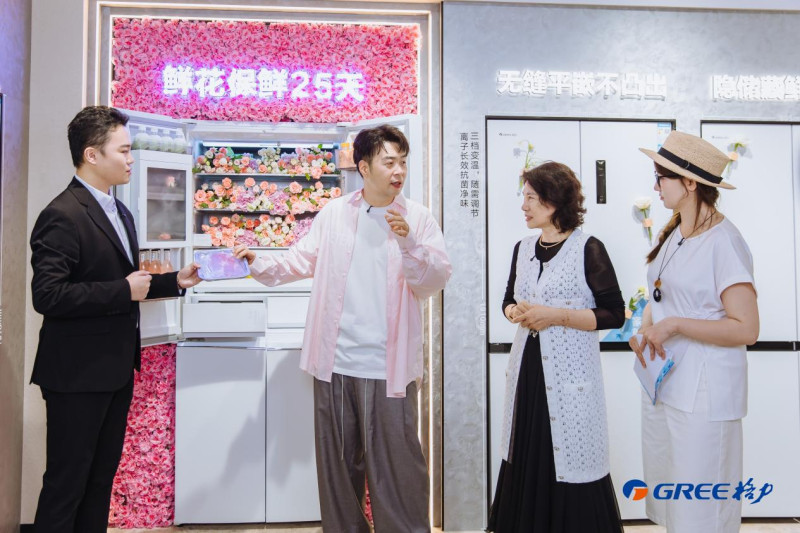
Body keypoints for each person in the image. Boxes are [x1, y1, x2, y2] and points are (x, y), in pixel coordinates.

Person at [234, 124, 451, 532]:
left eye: (403, 162)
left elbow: (435, 280)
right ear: (364, 167)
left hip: (388, 367)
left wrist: (409, 243)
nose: (398, 171)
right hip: (335, 363)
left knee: (399, 470)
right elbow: (298, 261)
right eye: (389, 162)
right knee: (338, 472)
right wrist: (256, 262)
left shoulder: (418, 218)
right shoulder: (335, 214)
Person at [30, 105, 201, 533]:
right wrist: (123, 290)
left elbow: (129, 281)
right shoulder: (62, 214)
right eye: (123, 151)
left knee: (99, 481)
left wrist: (175, 281)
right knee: (66, 484)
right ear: (92, 155)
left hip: (115, 369)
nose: (131, 158)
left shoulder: (120, 212)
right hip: (75, 374)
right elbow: (47, 295)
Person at [630, 131, 759, 532]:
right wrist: (646, 327)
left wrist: (674, 325)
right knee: (675, 501)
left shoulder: (725, 242)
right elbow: (663, 293)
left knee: (702, 506)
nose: (655, 186)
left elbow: (747, 328)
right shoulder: (675, 232)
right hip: (667, 381)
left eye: (661, 177)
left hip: (706, 393)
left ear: (689, 182)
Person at [488, 161, 625, 533]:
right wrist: (514, 311)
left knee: (571, 456)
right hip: (528, 374)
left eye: (531, 198)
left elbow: (614, 314)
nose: (524, 206)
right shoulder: (523, 248)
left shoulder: (588, 248)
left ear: (553, 200)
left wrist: (556, 316)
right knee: (525, 451)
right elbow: (507, 300)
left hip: (569, 376)